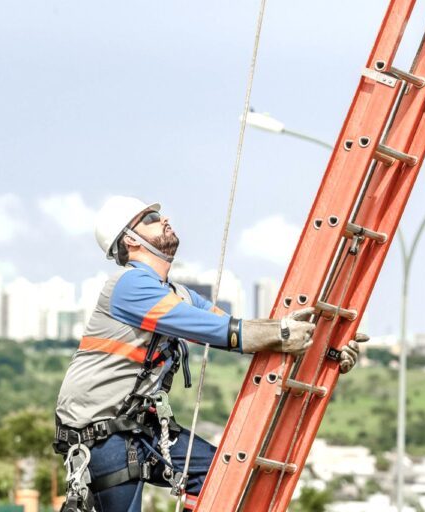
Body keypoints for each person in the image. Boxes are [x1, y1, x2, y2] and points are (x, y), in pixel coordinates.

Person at [53, 196, 366, 512]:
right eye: (149, 218)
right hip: (104, 435)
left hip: (143, 429)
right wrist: (282, 333)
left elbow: (234, 328)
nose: (163, 219)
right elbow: (217, 330)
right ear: (131, 241)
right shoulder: (129, 286)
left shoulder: (175, 294)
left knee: (221, 479)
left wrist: (327, 351)